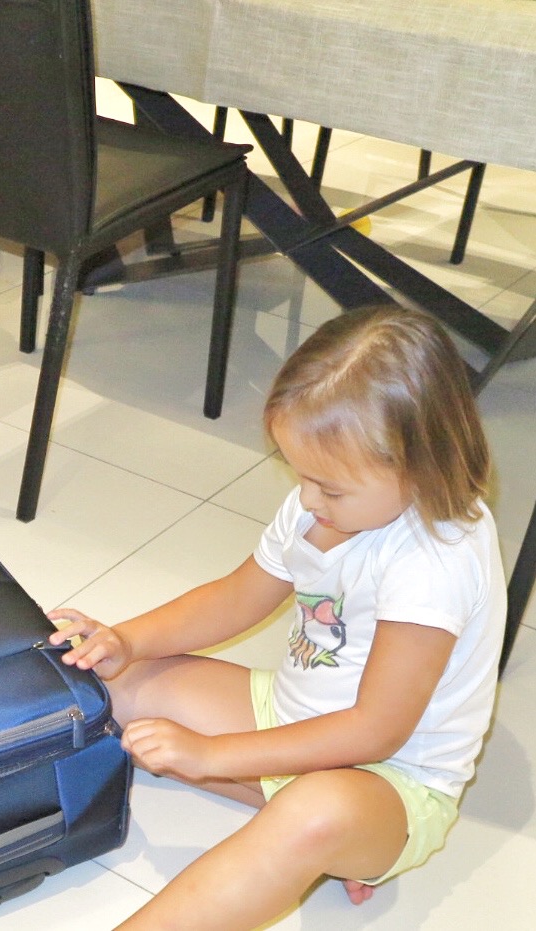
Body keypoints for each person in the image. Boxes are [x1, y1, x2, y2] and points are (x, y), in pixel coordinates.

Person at [48, 305, 504, 929]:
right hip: (289, 715)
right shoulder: (319, 505)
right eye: (300, 475)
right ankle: (312, 843)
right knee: (112, 686)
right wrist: (127, 640)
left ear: (421, 464)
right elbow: (237, 597)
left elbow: (375, 733)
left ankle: (326, 840)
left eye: (330, 488)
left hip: (389, 780)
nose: (307, 499)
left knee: (316, 811)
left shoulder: (436, 560)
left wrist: (212, 754)